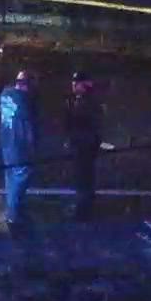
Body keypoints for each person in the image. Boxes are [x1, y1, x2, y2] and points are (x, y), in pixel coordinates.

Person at [0, 70, 38, 230]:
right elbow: (29, 129)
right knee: (22, 175)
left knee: (10, 175)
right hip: (19, 146)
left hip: (6, 141)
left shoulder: (5, 94)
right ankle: (13, 213)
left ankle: (13, 208)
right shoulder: (25, 101)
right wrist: (33, 147)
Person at [64, 71, 103, 221]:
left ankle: (83, 210)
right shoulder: (78, 100)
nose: (73, 86)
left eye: (76, 84)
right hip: (82, 144)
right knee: (83, 177)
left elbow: (90, 124)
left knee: (84, 177)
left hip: (85, 145)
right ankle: (84, 207)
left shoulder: (88, 102)